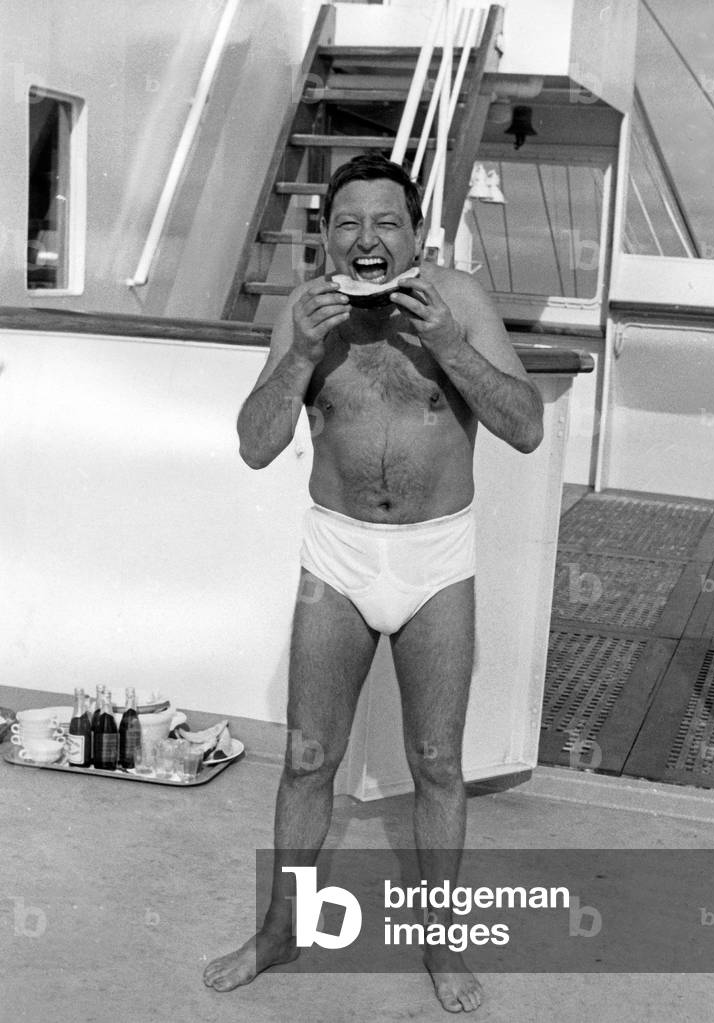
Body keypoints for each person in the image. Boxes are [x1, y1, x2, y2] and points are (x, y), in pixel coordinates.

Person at [203, 153, 544, 1013]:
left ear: (414, 233)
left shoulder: (457, 301)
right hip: (338, 558)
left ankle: (439, 943)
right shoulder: (307, 311)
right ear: (326, 237)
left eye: (385, 221)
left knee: (437, 763)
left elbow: (526, 426)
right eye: (348, 222)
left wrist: (448, 346)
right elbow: (253, 443)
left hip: (435, 560)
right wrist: (302, 352)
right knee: (308, 759)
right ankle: (282, 928)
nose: (367, 239)